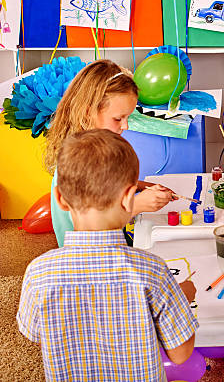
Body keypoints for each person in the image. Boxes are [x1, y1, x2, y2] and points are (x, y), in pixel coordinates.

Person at [17, 129, 199, 381]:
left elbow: (38, 337)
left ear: (58, 198)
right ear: (129, 198)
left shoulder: (38, 272)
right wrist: (181, 297)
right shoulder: (152, 271)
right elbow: (180, 354)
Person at [45, 59, 175, 247]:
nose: (125, 126)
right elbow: (91, 221)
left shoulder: (92, 147)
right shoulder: (79, 157)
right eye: (118, 118)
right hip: (85, 256)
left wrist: (138, 185)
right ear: (88, 112)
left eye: (128, 117)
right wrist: (138, 205)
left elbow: (100, 184)